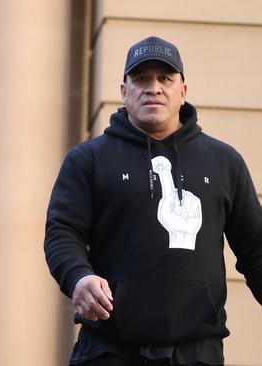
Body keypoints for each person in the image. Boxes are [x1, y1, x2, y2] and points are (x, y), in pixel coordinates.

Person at [44, 36, 262, 366]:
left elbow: (255, 246)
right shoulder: (88, 159)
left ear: (183, 91)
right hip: (109, 350)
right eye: (142, 79)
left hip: (197, 352)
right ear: (124, 91)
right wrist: (78, 276)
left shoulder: (224, 162)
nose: (154, 88)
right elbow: (62, 232)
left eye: (165, 79)